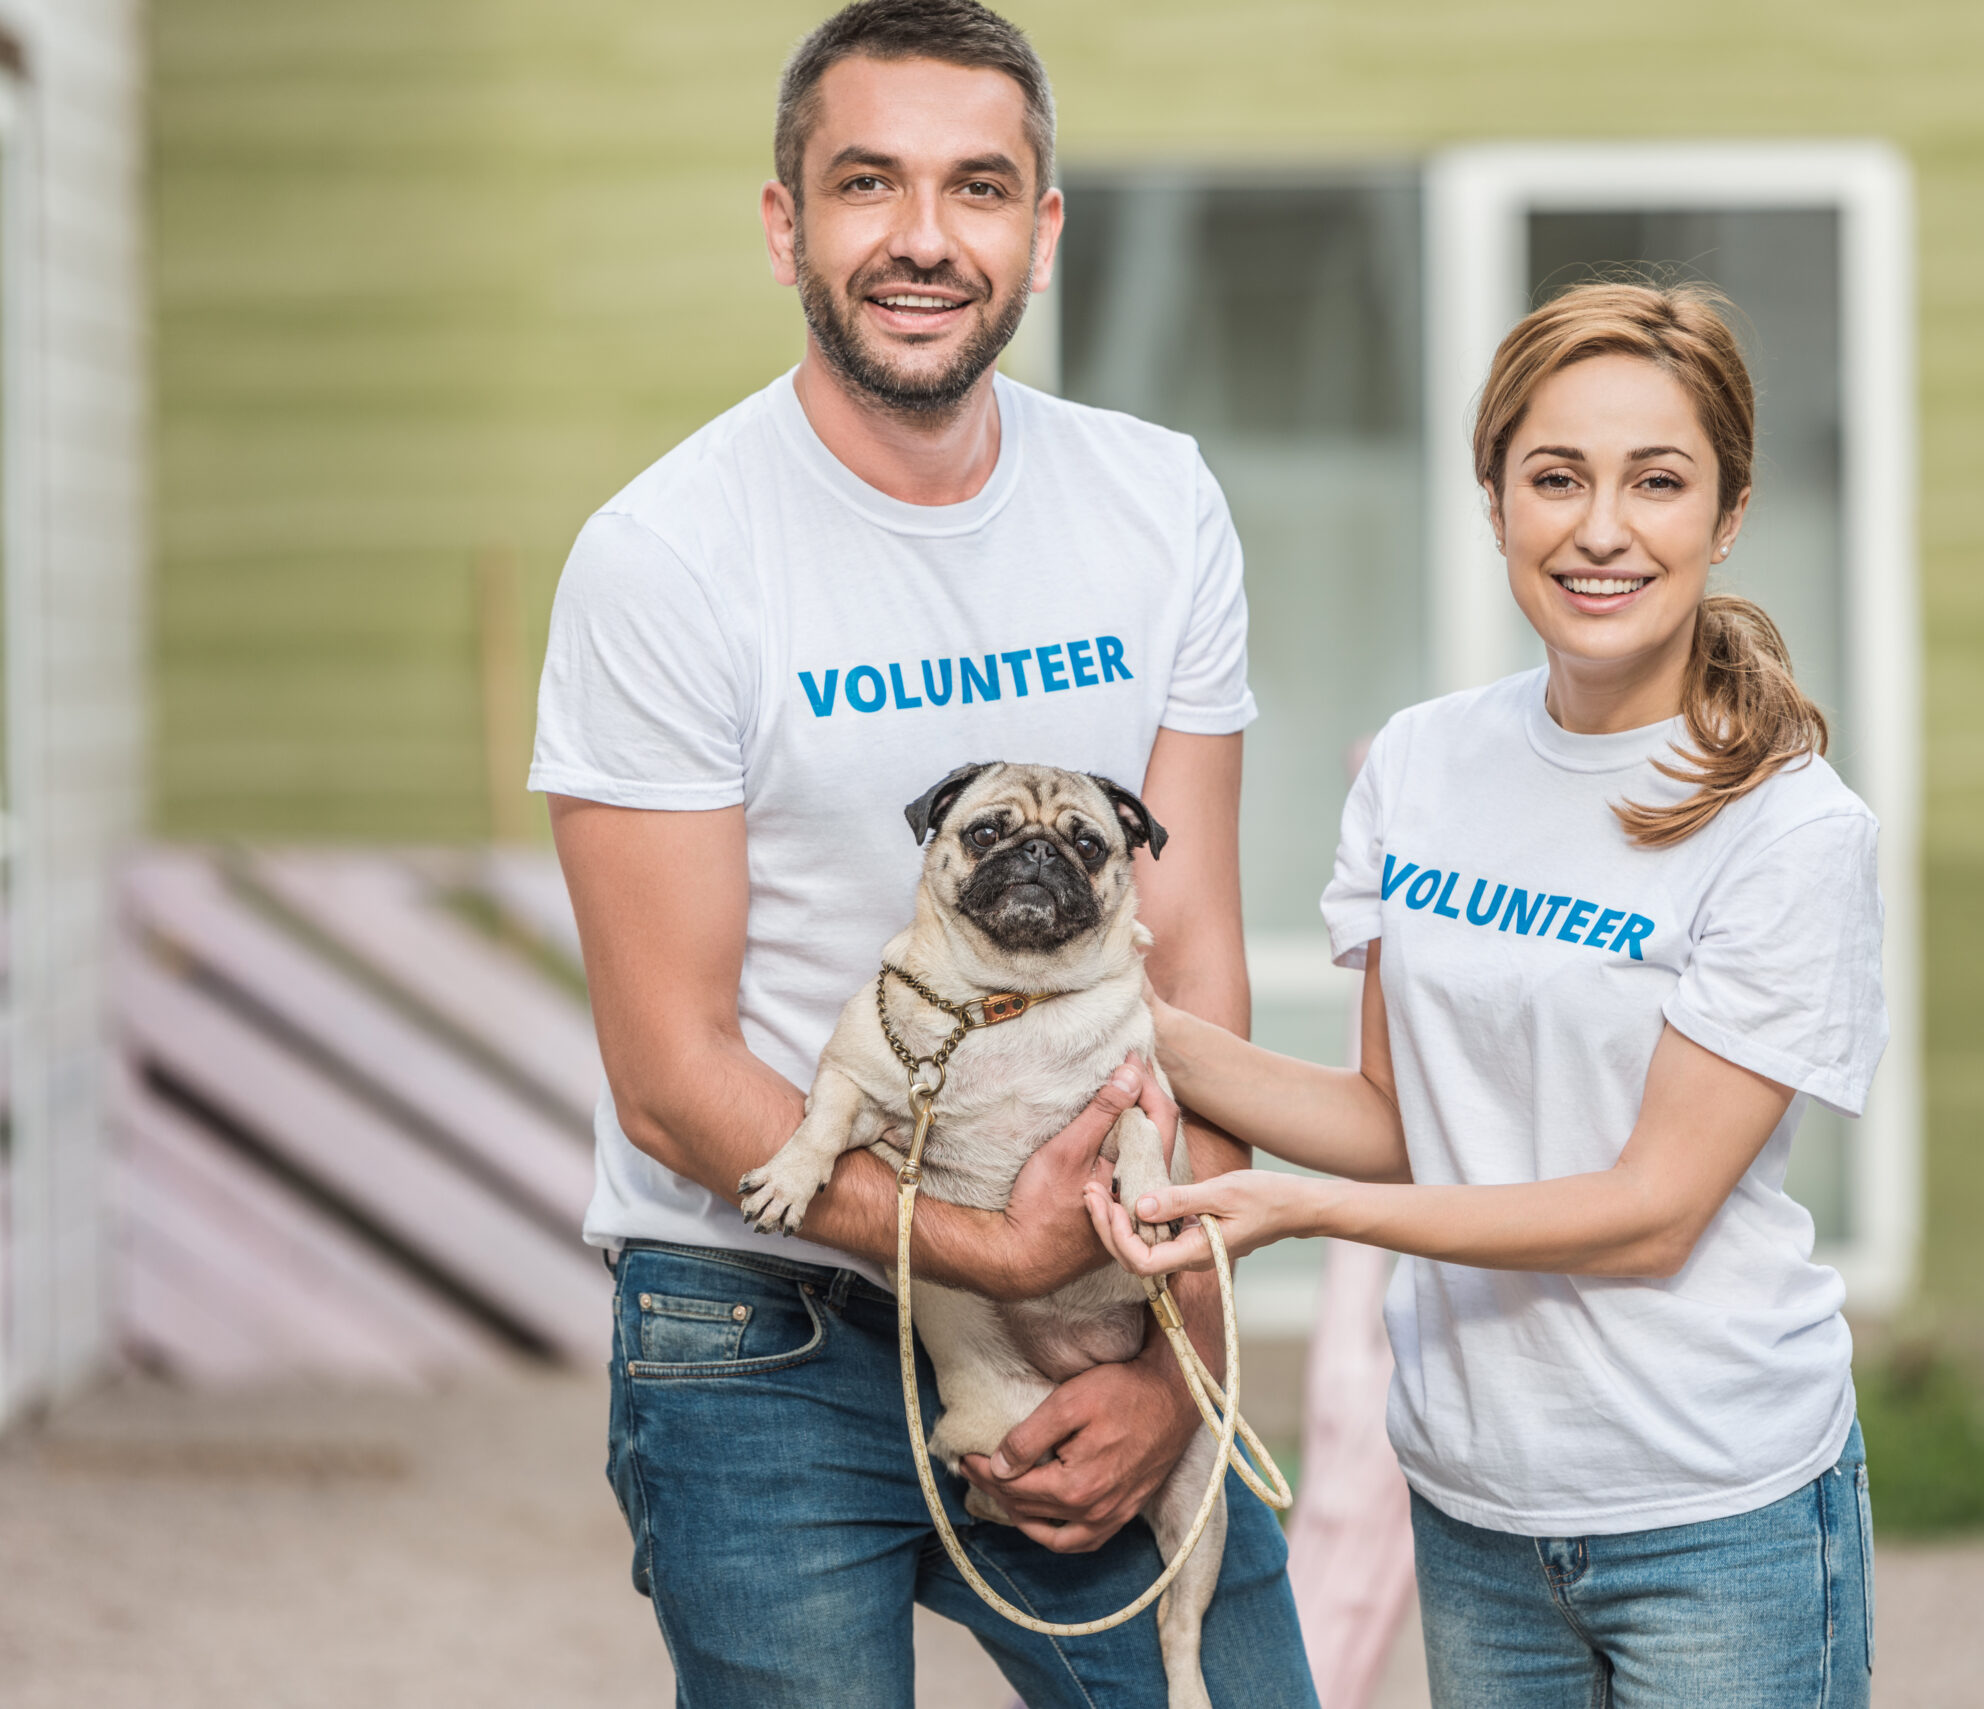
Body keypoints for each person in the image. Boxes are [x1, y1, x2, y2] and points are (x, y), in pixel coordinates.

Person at [529, 3, 1318, 1703]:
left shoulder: (1159, 501)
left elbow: (1193, 962)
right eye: (865, 182)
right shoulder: (667, 559)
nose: (920, 237)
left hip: (1104, 1297)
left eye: (976, 187)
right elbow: (673, 1073)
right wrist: (995, 1250)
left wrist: (1177, 1352)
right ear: (783, 223)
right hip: (756, 1321)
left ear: (1041, 229)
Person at [1091, 281, 1887, 1708]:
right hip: (1475, 1503)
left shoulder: (1790, 828)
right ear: (1495, 495)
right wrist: (1110, 1019)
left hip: (1715, 1508)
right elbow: (1402, 1120)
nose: (1600, 528)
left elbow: (1650, 1212)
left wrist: (1303, 1210)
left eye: (1658, 481)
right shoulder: (1421, 765)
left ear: (1731, 511)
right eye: (1555, 476)